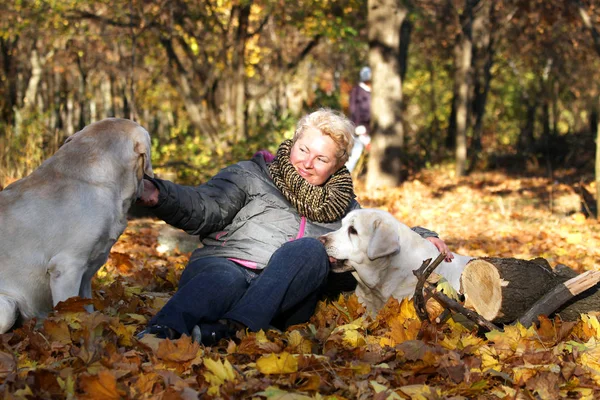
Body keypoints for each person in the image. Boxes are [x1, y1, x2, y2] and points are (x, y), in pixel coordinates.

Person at [135, 108, 452, 345]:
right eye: (304, 149)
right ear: (293, 141)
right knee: (225, 278)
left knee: (312, 249)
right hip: (228, 263)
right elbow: (205, 206)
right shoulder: (251, 174)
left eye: (321, 159)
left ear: (337, 166)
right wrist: (161, 195)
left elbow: (380, 229)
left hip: (289, 295)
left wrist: (426, 237)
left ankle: (233, 331)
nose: (307, 163)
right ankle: (162, 331)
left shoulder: (344, 209)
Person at [346, 66, 372, 172]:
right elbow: (353, 110)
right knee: (354, 155)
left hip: (369, 129)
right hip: (359, 129)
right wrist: (358, 126)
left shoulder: (371, 92)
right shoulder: (357, 91)